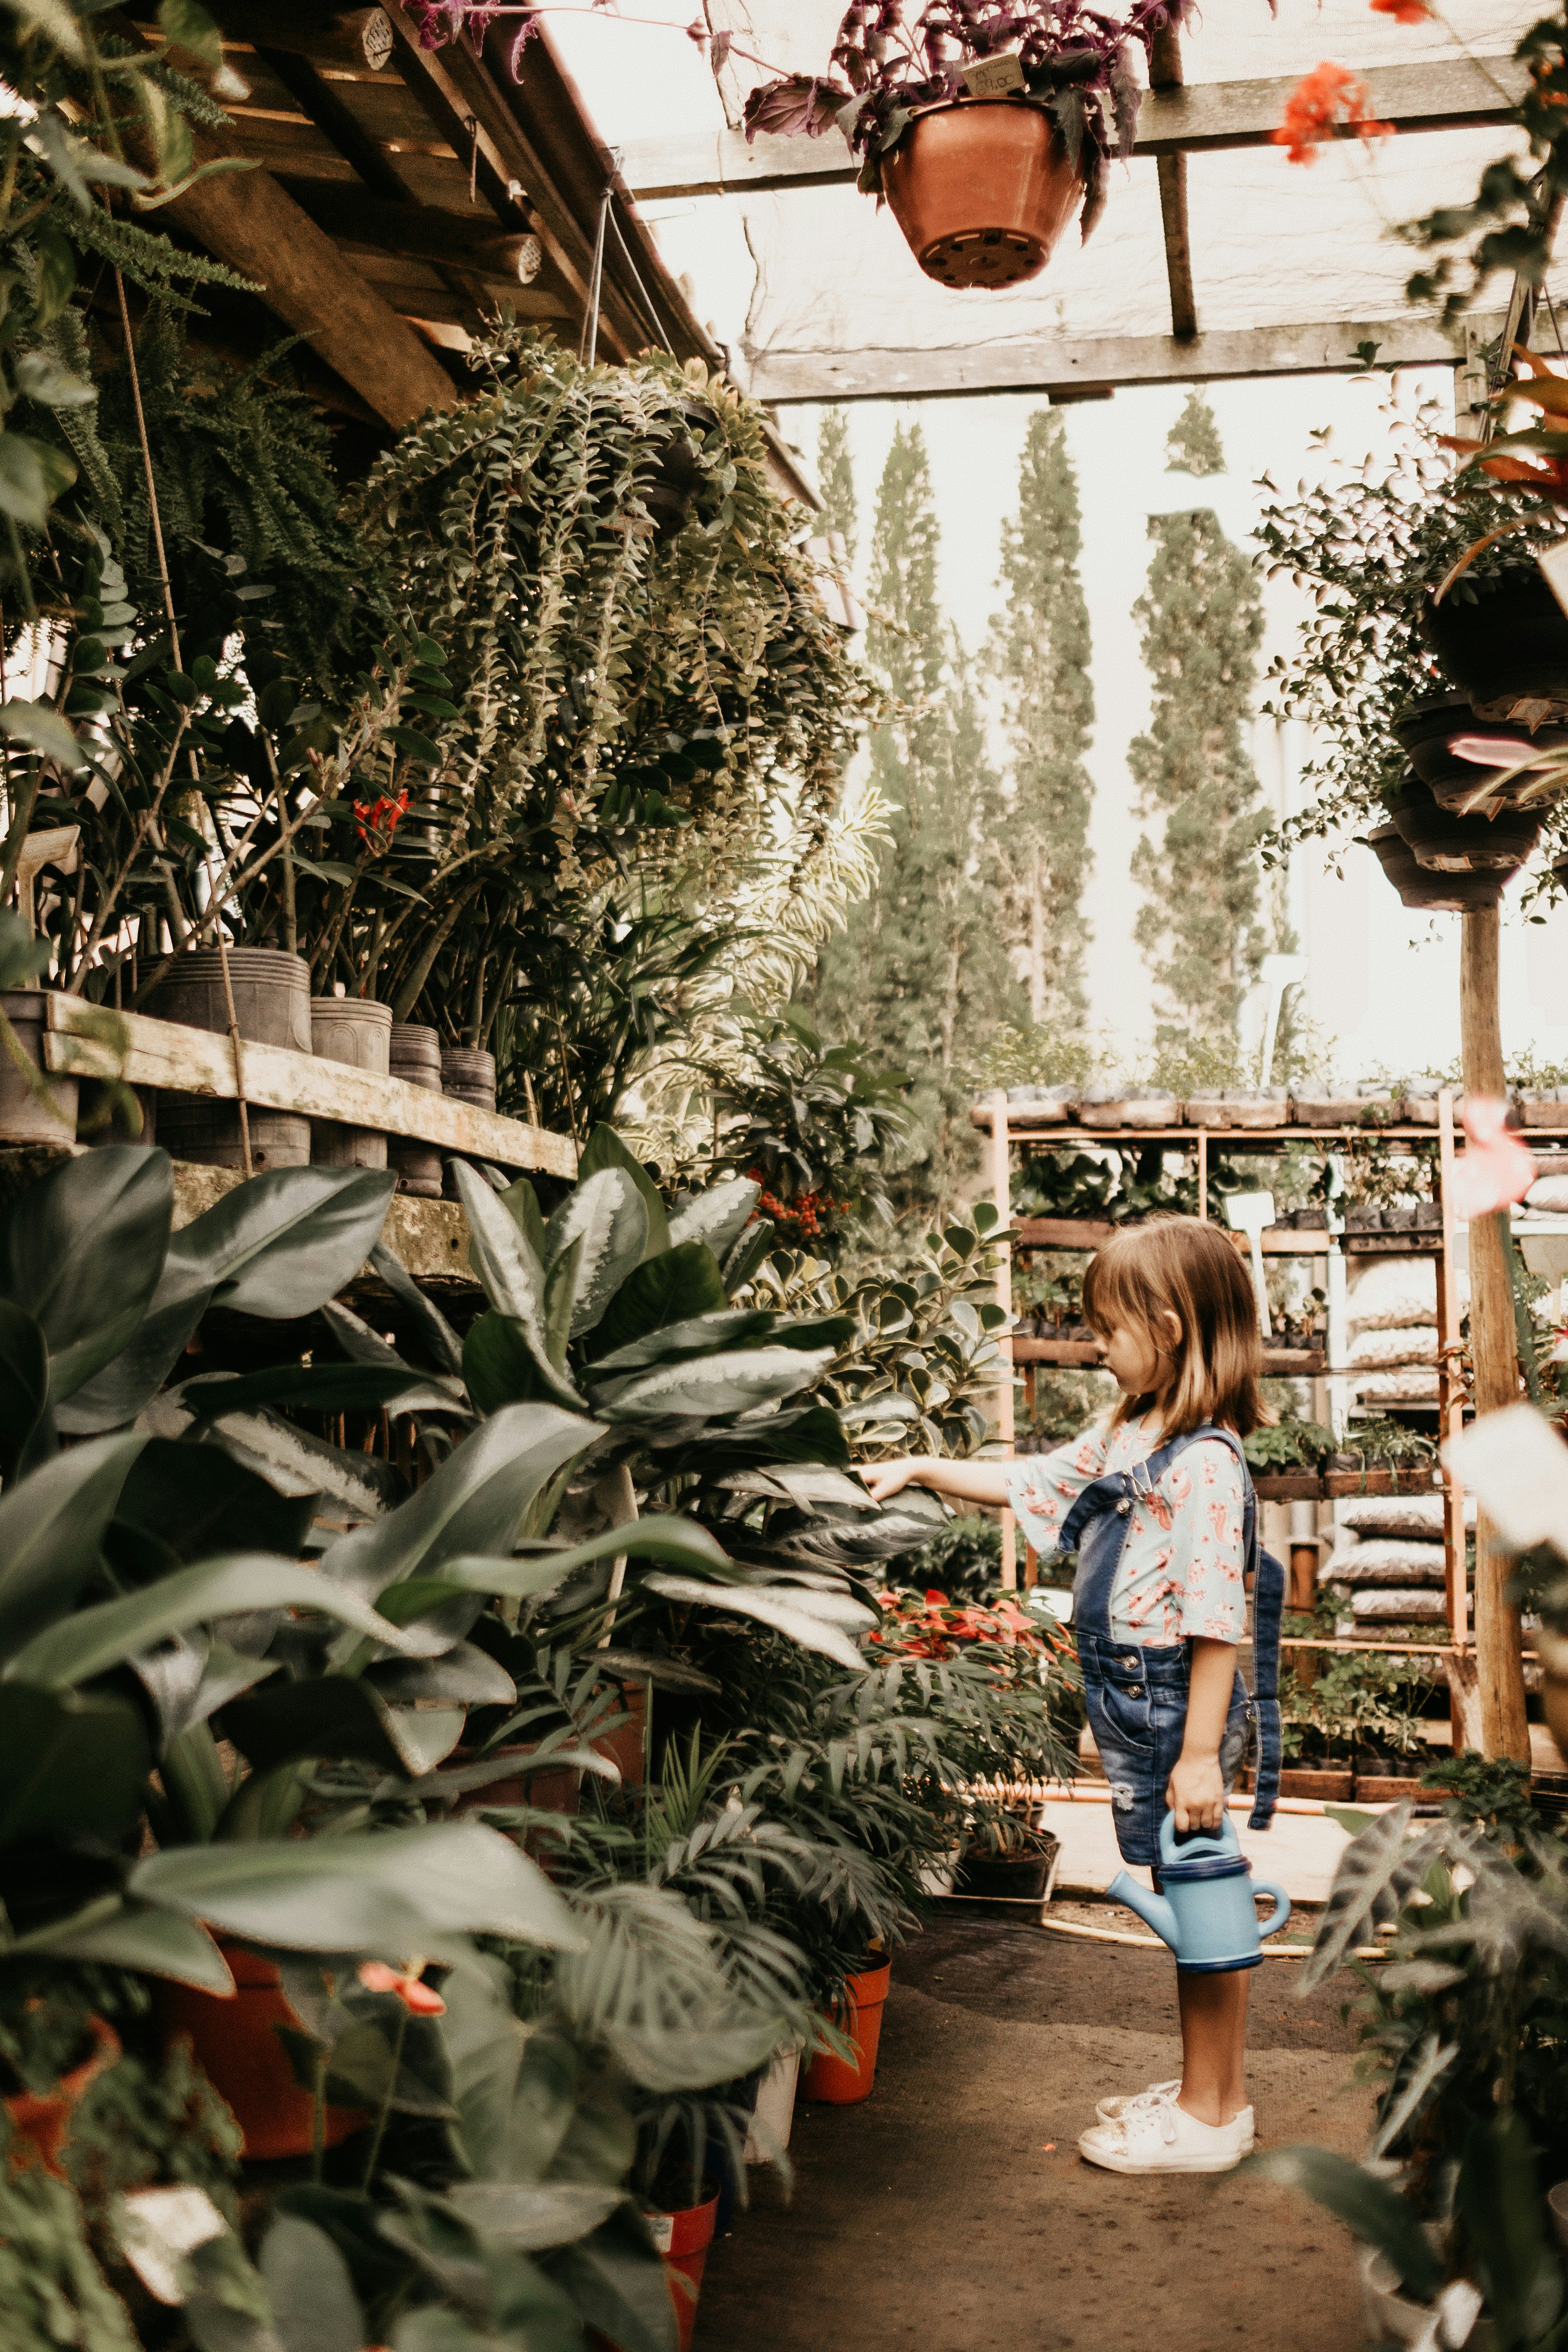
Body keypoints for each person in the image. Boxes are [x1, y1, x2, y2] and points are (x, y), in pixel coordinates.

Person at [862, 1215, 1283, 2178]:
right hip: (1138, 1704)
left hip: (1178, 1707)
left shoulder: (1207, 1465)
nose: (1097, 1346)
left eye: (1110, 1328)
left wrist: (1195, 1756)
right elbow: (1031, 1480)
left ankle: (1215, 2115)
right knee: (1192, 1900)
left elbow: (1218, 1622)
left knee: (1206, 1907)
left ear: (1170, 1327)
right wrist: (923, 1467)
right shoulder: (1128, 1431)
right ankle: (1203, 2099)